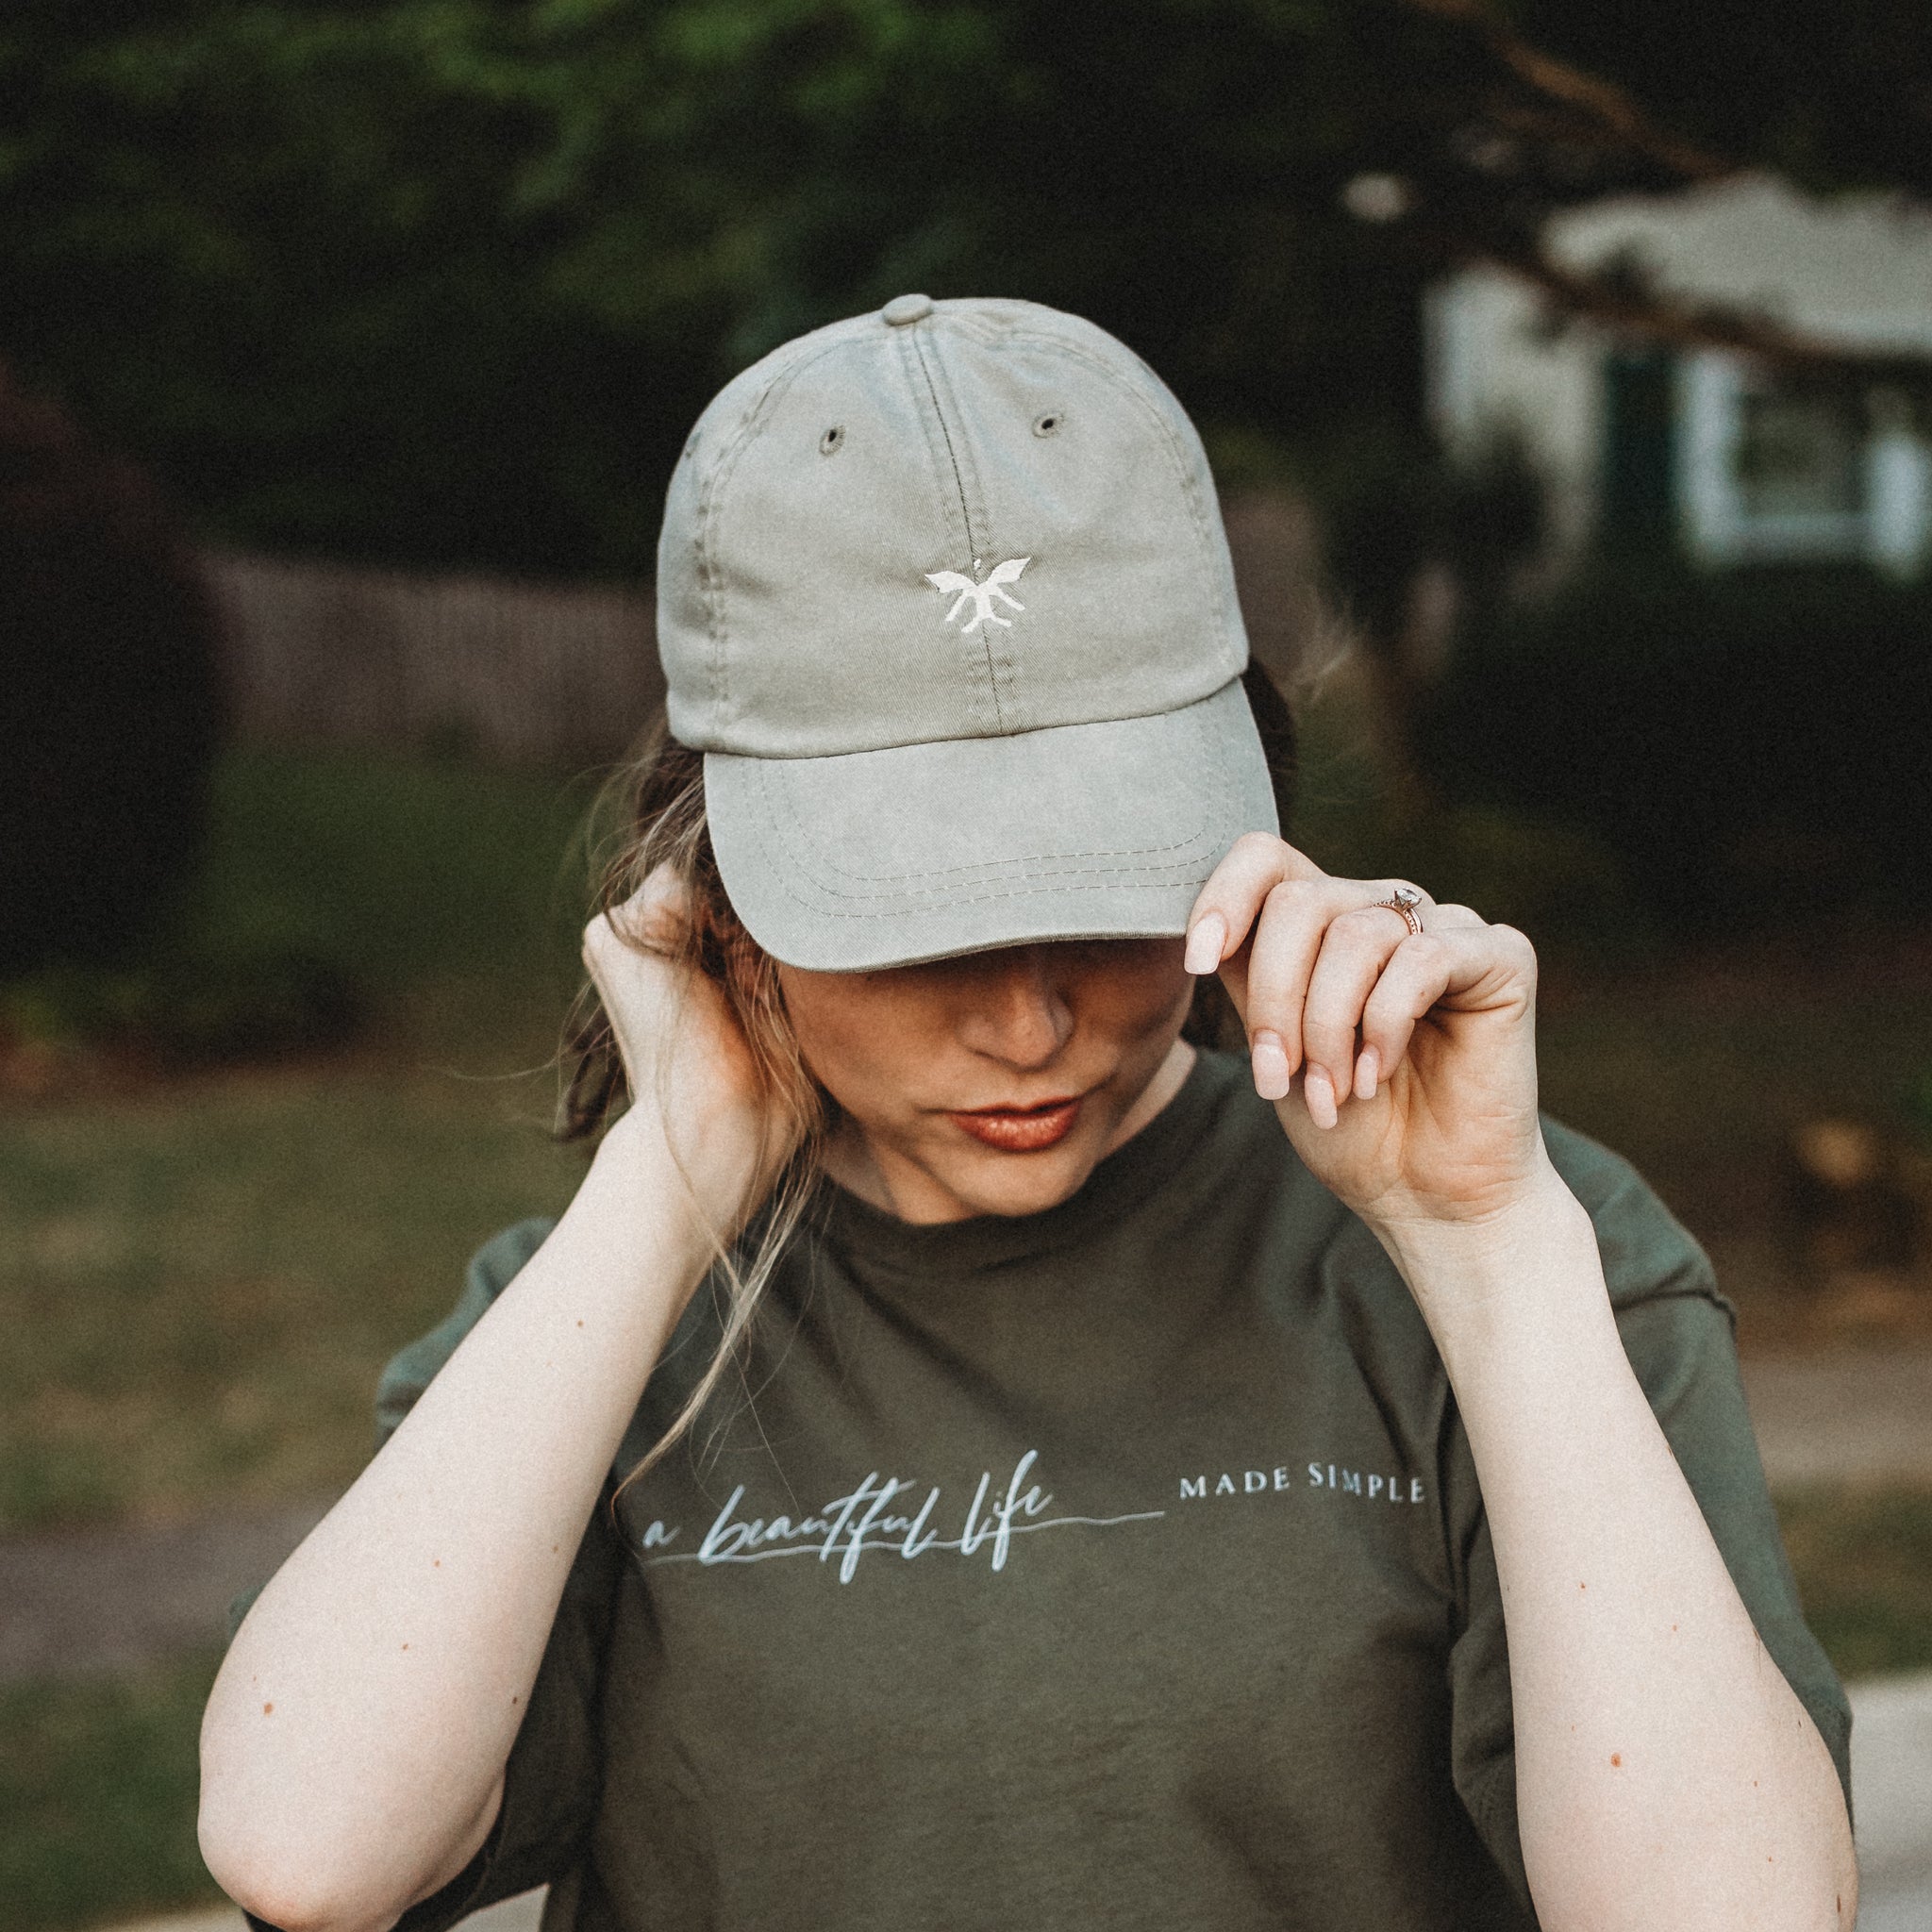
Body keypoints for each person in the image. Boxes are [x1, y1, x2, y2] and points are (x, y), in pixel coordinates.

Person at [198, 296, 1857, 1932]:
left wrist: (1490, 1257)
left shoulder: (1528, 1248)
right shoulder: (595, 1334)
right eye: (910, 924)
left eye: (1108, 893)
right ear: (721, 891)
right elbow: (308, 1849)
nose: (1031, 1020)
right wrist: (667, 1177)